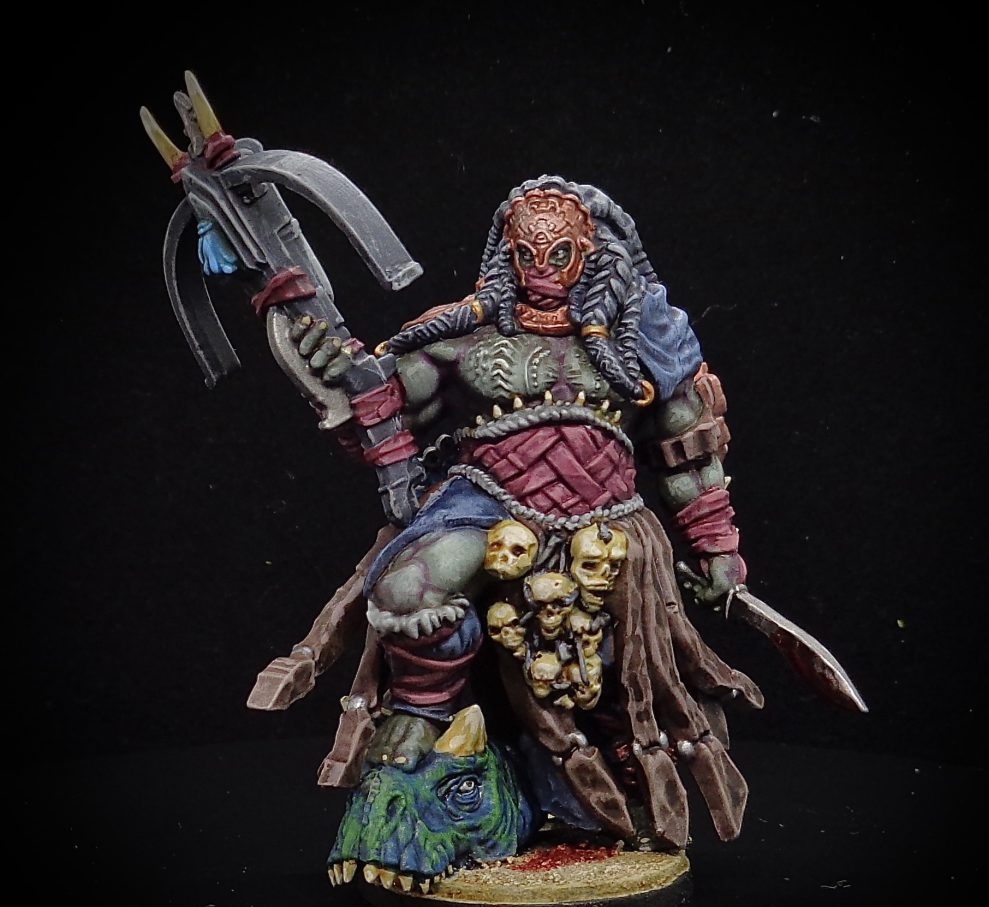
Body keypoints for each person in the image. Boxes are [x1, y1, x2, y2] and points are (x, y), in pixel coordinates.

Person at [249, 176, 763, 851]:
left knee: (612, 674)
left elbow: (687, 450)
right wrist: (330, 371)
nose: (541, 271)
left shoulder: (645, 340)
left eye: (559, 255)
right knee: (406, 587)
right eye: (526, 255)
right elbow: (383, 420)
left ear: (590, 252)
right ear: (507, 255)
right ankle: (423, 709)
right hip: (488, 502)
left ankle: (614, 793)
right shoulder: (466, 340)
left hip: (607, 520)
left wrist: (716, 546)